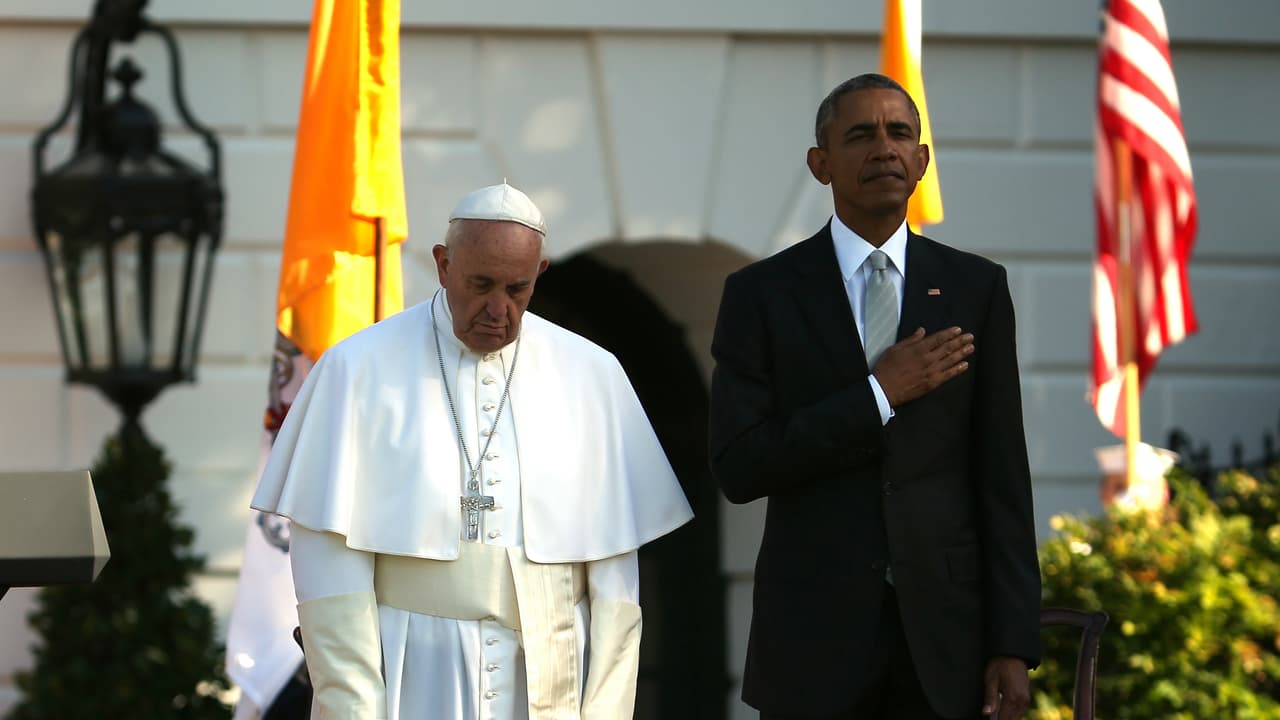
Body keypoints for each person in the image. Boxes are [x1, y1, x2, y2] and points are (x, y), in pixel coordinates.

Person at [252, 182, 694, 720]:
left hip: (550, 672)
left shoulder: (592, 375)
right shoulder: (358, 369)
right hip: (413, 673)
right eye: (480, 284)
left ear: (540, 275)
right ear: (443, 265)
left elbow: (617, 588)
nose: (498, 310)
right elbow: (330, 578)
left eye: (517, 290)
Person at [708, 74, 1041, 720]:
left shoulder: (976, 288)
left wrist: (1012, 643)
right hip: (812, 648)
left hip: (947, 647)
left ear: (921, 159)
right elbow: (740, 465)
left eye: (900, 134)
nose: (884, 149)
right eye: (861, 135)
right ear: (821, 163)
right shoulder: (761, 295)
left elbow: (1002, 479)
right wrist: (878, 395)